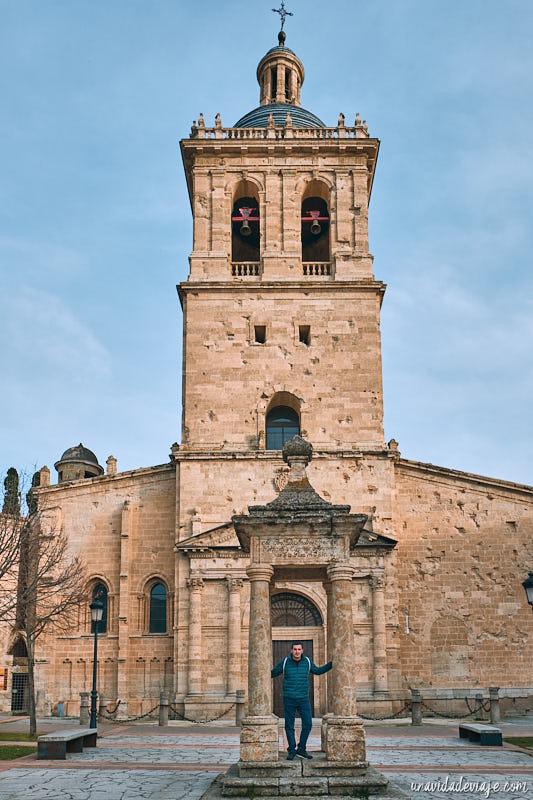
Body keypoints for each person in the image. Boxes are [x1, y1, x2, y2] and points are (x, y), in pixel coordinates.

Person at [271, 641, 332, 760]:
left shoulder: (307, 662)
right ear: (291, 651)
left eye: (299, 649)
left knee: (308, 724)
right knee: (289, 725)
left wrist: (332, 664)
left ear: (302, 651)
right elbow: (272, 673)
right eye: (295, 649)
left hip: (303, 699)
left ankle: (301, 748)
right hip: (289, 698)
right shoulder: (284, 662)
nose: (297, 651)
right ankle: (291, 750)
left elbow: (318, 671)